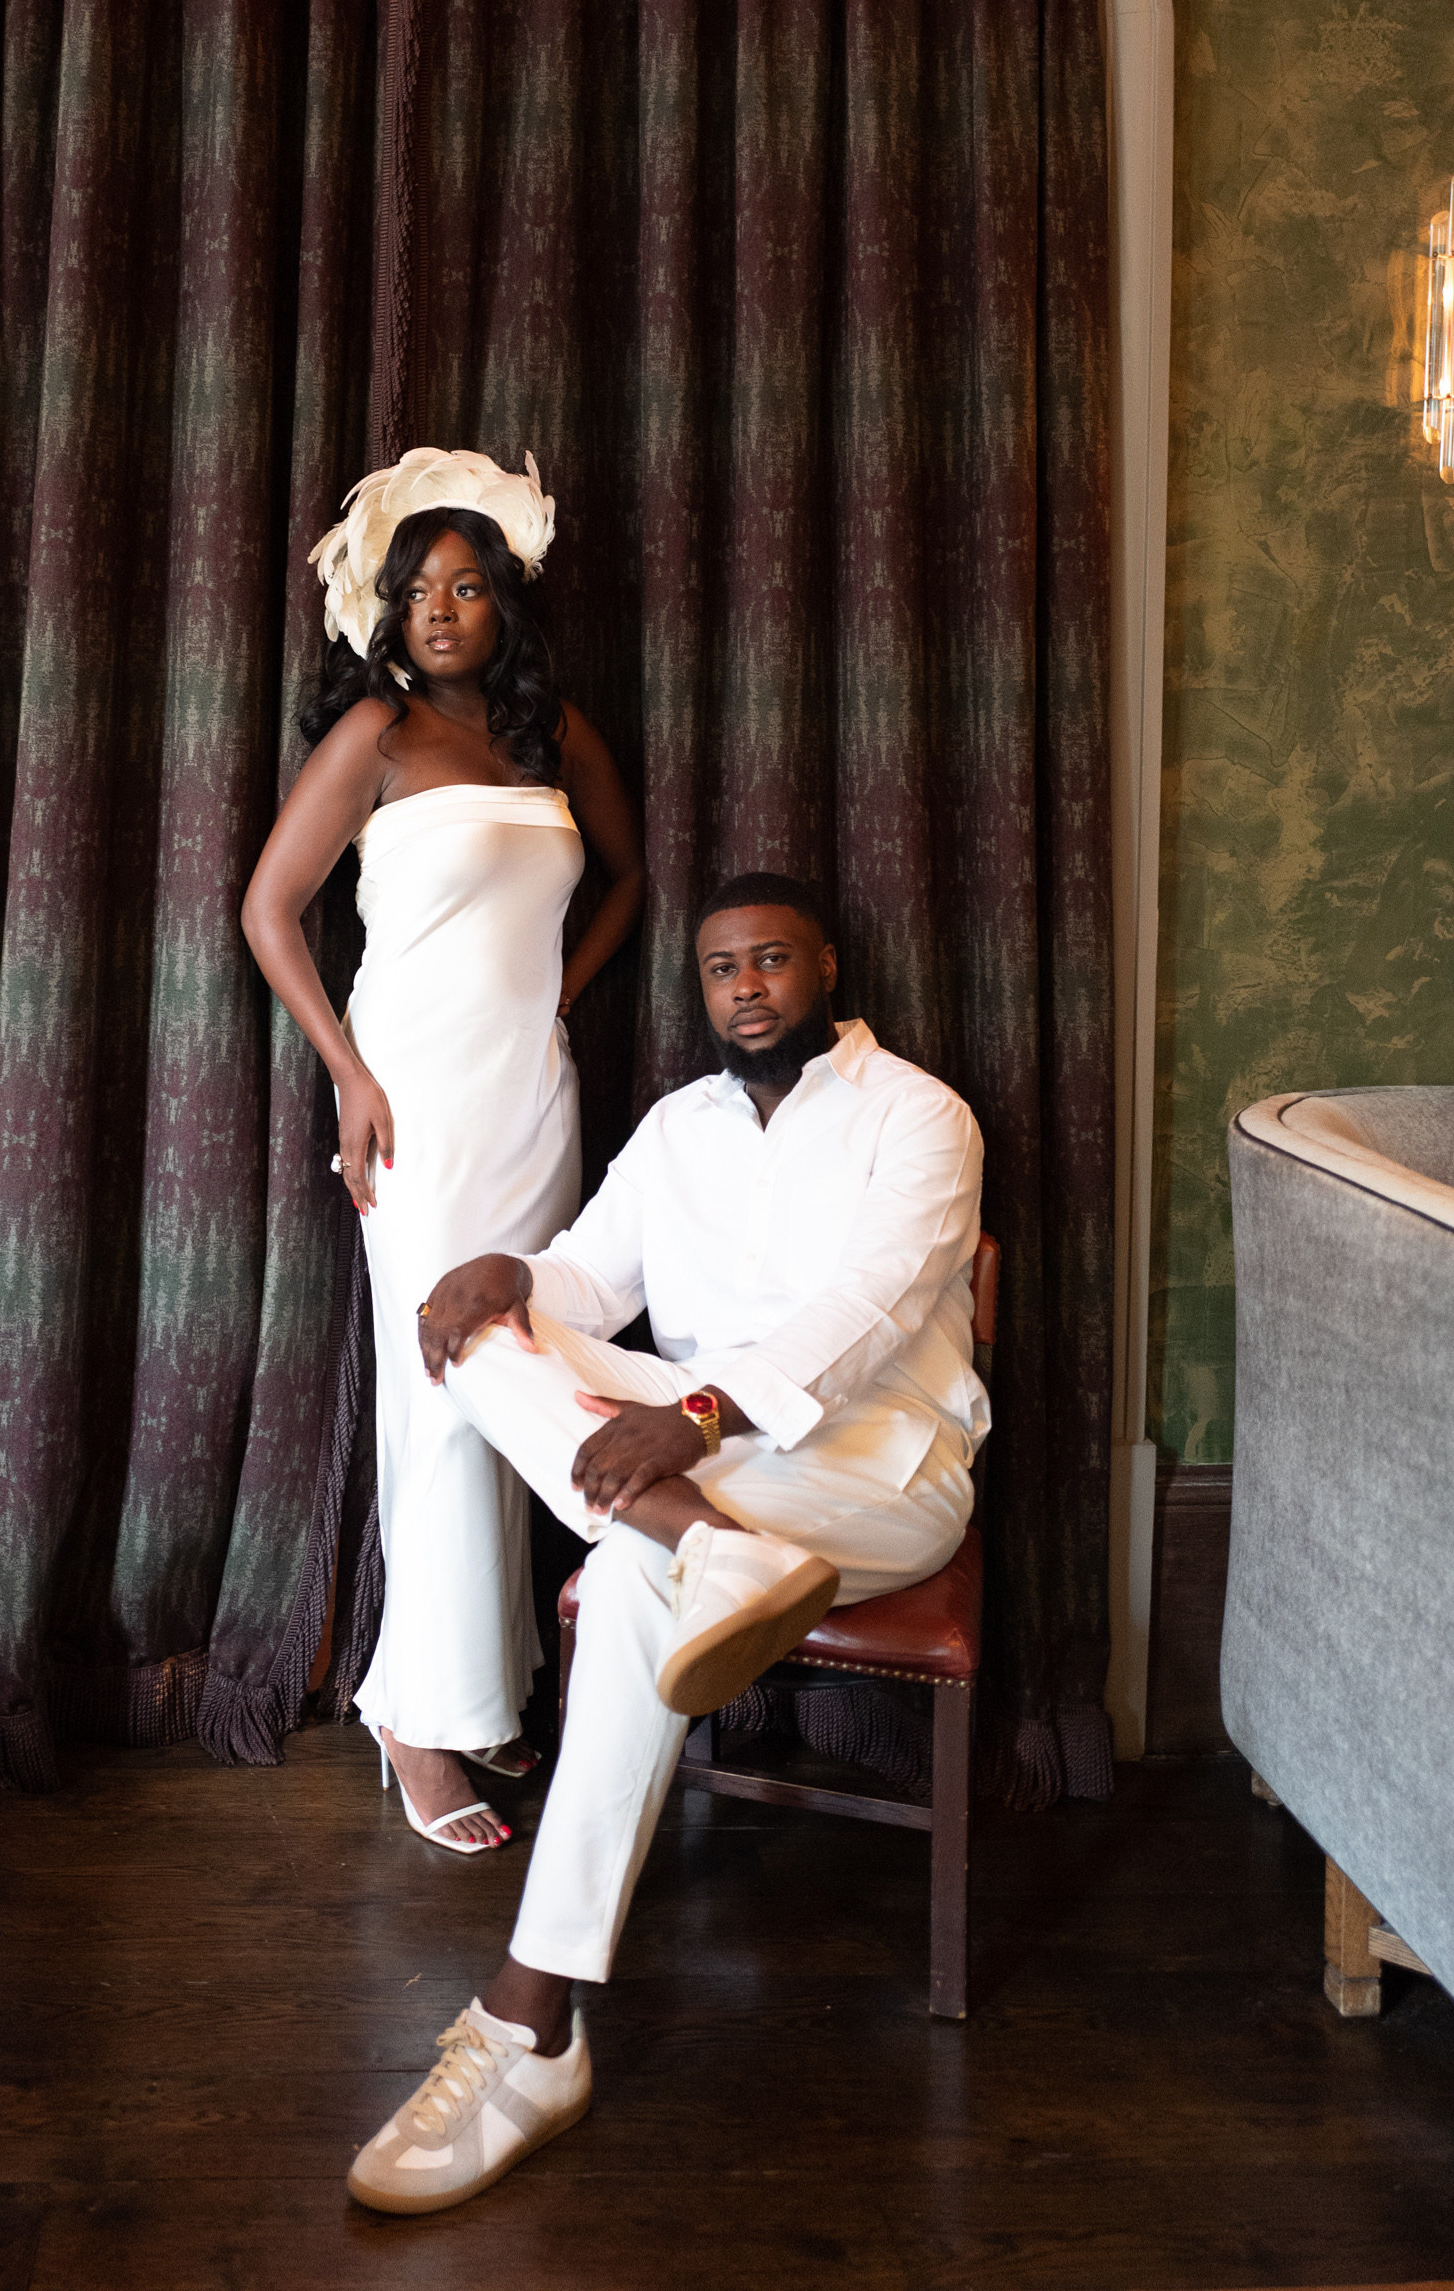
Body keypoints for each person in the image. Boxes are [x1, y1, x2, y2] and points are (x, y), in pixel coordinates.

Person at [345, 875, 987, 2213]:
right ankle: (708, 1549)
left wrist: (692, 1418)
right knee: (472, 1329)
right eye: (719, 969)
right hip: (707, 1458)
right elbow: (590, 1279)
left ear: (825, 966)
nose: (745, 987)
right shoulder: (678, 1126)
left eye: (770, 961)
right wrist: (508, 1280)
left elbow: (870, 1313)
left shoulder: (918, 1113)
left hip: (880, 1465)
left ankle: (529, 2027)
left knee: (638, 1568)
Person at [242, 448, 644, 1857]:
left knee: (522, 1377)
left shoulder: (552, 737)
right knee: (440, 1392)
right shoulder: (377, 734)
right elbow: (269, 913)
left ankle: (484, 1689)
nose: (441, 609)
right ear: (388, 613)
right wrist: (346, 1073)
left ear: (503, 608)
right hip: (411, 1104)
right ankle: (413, 1715)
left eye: (468, 586)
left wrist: (563, 997)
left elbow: (628, 875)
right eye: (418, 590)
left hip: (533, 1098)